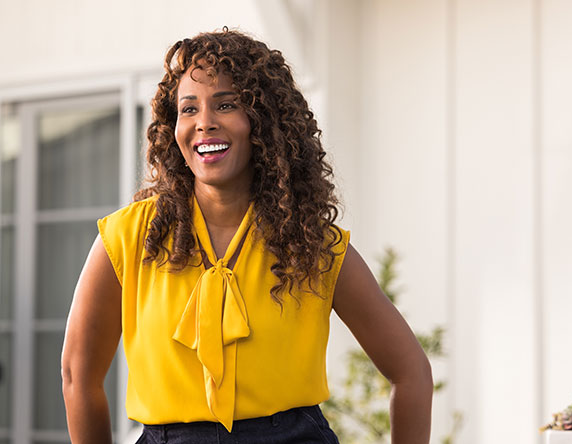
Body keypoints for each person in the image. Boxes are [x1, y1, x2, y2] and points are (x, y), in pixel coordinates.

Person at [61, 29, 433, 444]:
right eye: (188, 109)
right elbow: (78, 375)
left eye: (226, 104)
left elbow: (411, 372)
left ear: (264, 120)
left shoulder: (312, 243)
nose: (204, 123)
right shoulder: (128, 238)